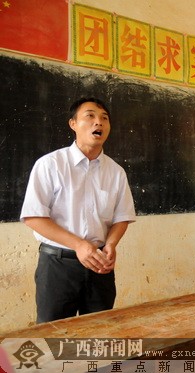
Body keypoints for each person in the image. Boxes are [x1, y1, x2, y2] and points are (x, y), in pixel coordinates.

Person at [20, 97, 136, 323]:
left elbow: (122, 217)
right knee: (53, 338)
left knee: (99, 336)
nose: (98, 123)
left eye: (104, 118)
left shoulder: (116, 171)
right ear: (73, 124)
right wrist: (79, 245)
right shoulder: (50, 164)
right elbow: (34, 217)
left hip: (100, 266)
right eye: (90, 116)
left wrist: (111, 244)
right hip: (58, 266)